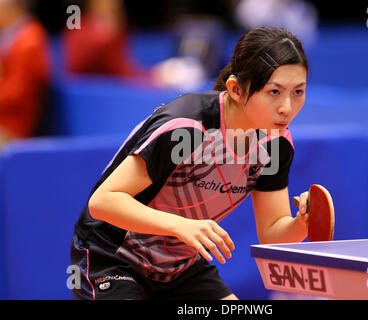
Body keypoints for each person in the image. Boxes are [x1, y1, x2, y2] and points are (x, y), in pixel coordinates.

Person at [70, 26, 311, 300]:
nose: (287, 108)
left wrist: (301, 223)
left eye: (298, 92)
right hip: (111, 256)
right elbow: (103, 202)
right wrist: (181, 225)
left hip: (179, 267)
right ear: (236, 89)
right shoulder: (187, 128)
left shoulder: (276, 145)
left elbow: (271, 233)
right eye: (274, 92)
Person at [0, 0, 50, 150]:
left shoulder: (30, 41)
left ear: (14, 9)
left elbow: (18, 92)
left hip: (13, 128)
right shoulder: (12, 37)